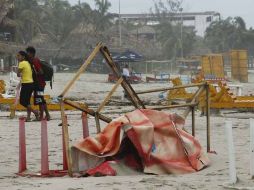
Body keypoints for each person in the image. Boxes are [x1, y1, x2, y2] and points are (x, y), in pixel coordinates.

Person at [26, 46, 50, 121]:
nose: (27, 54)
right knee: (41, 99)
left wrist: (34, 73)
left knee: (40, 100)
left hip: (40, 84)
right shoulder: (31, 60)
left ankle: (41, 116)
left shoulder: (35, 60)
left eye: (28, 53)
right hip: (37, 84)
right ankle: (47, 115)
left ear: (32, 53)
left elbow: (41, 72)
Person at [17, 51, 39, 121]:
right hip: (31, 84)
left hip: (26, 84)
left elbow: (18, 74)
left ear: (23, 57)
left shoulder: (22, 63)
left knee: (22, 102)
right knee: (27, 102)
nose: (17, 57)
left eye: (19, 56)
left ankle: (35, 112)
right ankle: (28, 117)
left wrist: (20, 74)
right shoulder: (28, 63)